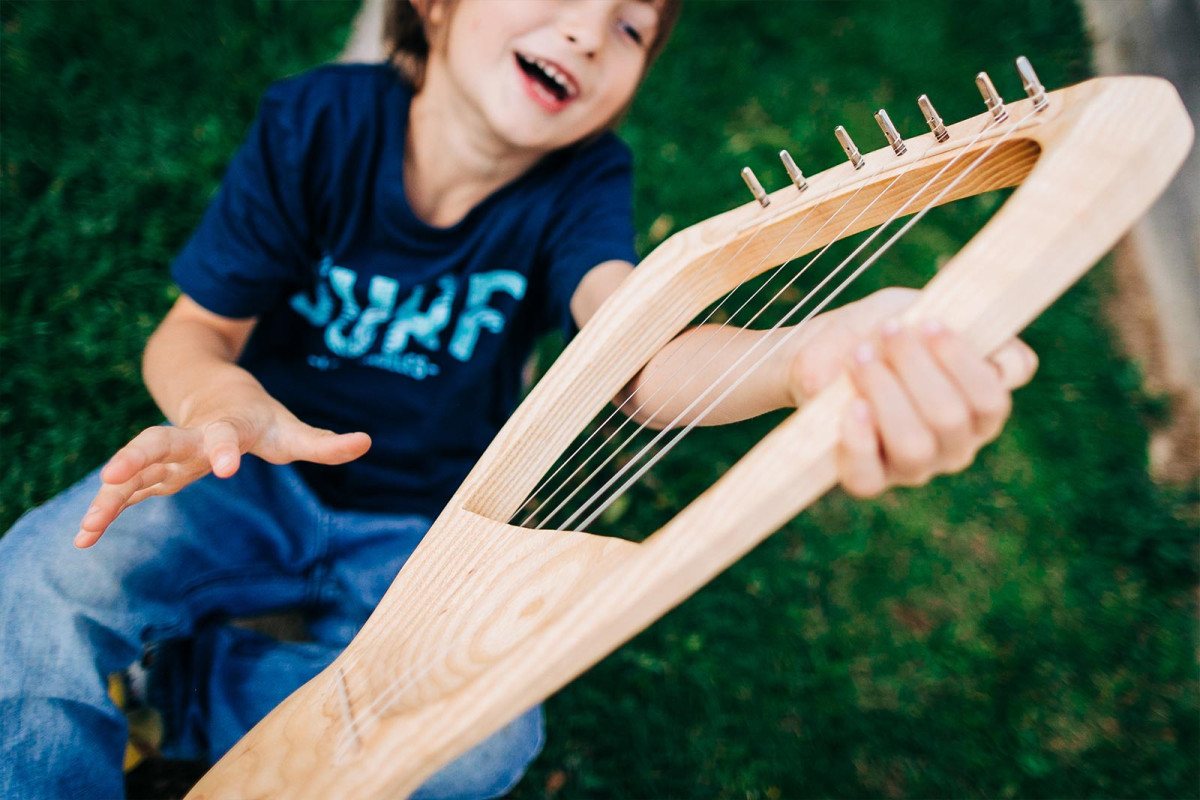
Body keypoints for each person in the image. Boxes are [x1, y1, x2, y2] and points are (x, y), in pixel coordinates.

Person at [0, 0, 1039, 797]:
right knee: (37, 581)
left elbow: (636, 347)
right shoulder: (316, 121)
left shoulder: (583, 186)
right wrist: (219, 407)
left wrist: (807, 355)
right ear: (437, 6)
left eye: (631, 25)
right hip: (246, 468)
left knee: (483, 742)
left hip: (423, 526)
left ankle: (187, 690)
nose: (588, 30)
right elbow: (193, 331)